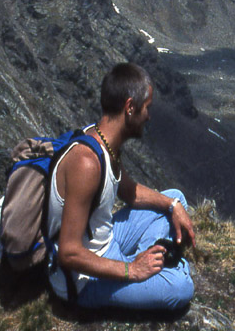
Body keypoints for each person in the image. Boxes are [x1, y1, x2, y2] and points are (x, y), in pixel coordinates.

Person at [46, 62, 195, 310]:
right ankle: (149, 267)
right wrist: (132, 270)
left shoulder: (101, 138)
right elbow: (69, 253)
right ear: (130, 107)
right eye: (146, 108)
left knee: (174, 196)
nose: (148, 116)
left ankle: (150, 260)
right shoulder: (86, 163)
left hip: (105, 240)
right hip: (80, 280)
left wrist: (173, 205)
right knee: (180, 287)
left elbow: (129, 192)